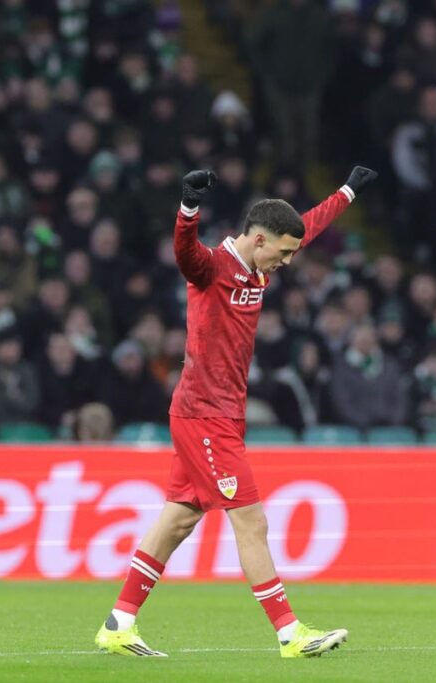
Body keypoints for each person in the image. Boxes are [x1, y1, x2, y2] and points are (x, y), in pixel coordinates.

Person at [95, 166, 378, 657]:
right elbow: (184, 252)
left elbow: (307, 226)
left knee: (177, 521)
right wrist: (188, 208)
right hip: (205, 414)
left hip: (220, 413)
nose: (287, 262)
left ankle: (118, 624)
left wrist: (348, 191)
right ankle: (290, 634)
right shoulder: (211, 267)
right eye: (283, 253)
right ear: (259, 238)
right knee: (251, 522)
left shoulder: (261, 264)